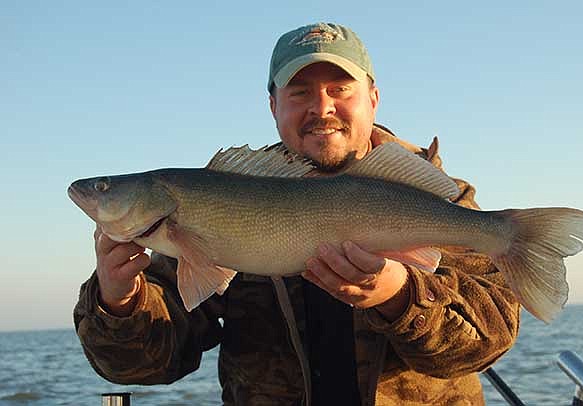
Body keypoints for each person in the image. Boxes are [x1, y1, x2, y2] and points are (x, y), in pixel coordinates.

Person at [74, 22, 520, 406]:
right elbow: (148, 362)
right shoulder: (225, 195)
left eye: (340, 89)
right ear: (273, 106)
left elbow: (489, 338)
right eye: (300, 92)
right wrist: (119, 301)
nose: (321, 107)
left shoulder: (439, 201)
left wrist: (399, 294)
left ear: (373, 98)